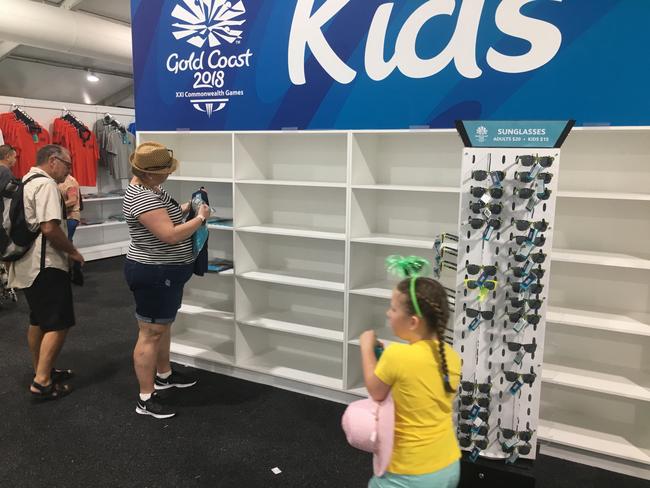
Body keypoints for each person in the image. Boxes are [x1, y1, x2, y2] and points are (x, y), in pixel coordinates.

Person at [123, 142, 210, 419]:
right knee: (150, 333)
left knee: (161, 327)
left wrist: (188, 206)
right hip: (154, 273)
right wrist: (200, 218)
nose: (168, 175)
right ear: (148, 174)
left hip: (165, 272)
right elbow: (170, 235)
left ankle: (164, 375)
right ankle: (145, 399)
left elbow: (164, 216)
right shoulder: (143, 197)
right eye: (164, 172)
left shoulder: (150, 189)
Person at [359, 271, 462, 488]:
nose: (389, 313)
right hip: (449, 465)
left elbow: (375, 390)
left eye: (394, 309)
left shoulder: (397, 356)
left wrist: (366, 348)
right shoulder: (450, 356)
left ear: (413, 322)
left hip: (409, 473)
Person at [8, 144, 85, 401]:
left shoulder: (27, 180)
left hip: (28, 265)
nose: (69, 170)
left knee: (38, 320)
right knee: (59, 322)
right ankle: (42, 382)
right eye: (68, 164)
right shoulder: (46, 185)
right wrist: (73, 252)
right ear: (53, 161)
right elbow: (50, 228)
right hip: (46, 266)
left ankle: (42, 369)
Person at [58, 174, 81, 240]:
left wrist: (55, 206)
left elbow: (73, 200)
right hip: (65, 217)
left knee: (65, 242)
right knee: (65, 242)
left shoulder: (69, 181)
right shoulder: (61, 180)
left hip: (70, 217)